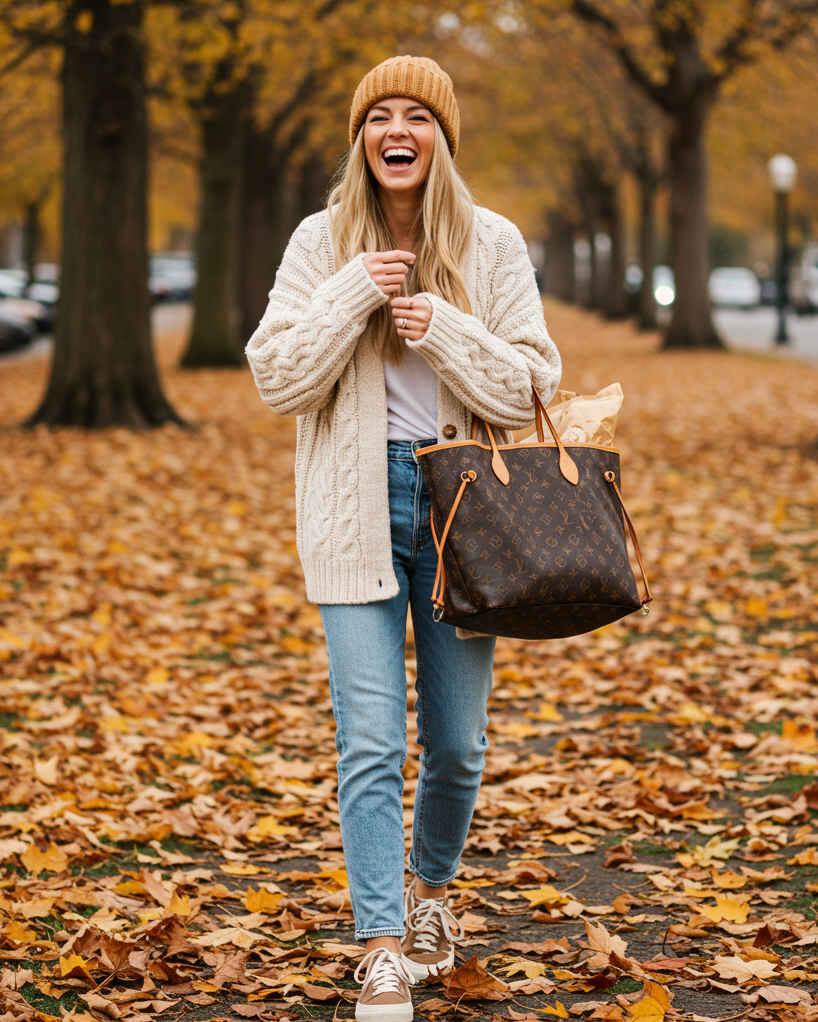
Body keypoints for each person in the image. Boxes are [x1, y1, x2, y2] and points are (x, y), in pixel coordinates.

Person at [246, 55, 561, 1022]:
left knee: (457, 746)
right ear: (361, 140)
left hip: (464, 510)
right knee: (372, 740)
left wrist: (446, 329)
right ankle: (380, 945)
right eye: (379, 115)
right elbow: (276, 379)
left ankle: (430, 896)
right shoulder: (317, 241)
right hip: (355, 510)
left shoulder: (494, 244)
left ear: (441, 140)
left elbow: (535, 384)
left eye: (416, 116)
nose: (398, 130)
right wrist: (350, 294)